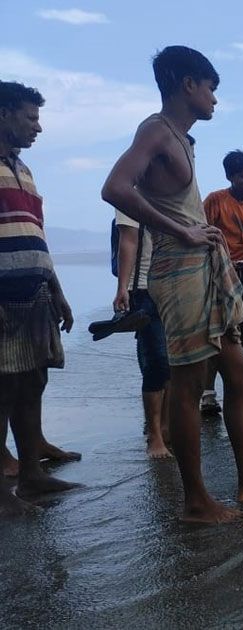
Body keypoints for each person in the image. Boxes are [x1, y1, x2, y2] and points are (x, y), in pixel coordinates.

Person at [100, 46, 243, 523]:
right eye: (211, 87)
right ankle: (195, 501)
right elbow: (115, 187)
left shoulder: (181, 137)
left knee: (239, 375)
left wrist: (196, 233)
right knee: (188, 385)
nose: (214, 98)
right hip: (179, 269)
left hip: (206, 267)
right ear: (187, 84)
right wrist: (182, 231)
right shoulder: (156, 129)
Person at [0, 81, 80, 516]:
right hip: (3, 299)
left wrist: (58, 291)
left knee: (33, 382)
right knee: (2, 388)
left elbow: (36, 235)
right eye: (30, 117)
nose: (38, 126)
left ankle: (32, 471)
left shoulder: (24, 170)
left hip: (35, 297)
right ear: (4, 114)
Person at [201, 150, 243, 410]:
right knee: (225, 332)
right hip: (224, 276)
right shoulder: (215, 201)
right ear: (231, 177)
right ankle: (209, 392)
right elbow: (202, 234)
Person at [113, 209, 172, 458]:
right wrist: (123, 288)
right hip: (144, 290)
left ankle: (167, 428)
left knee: (173, 362)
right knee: (156, 362)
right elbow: (128, 239)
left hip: (173, 285)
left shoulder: (168, 194)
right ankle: (155, 436)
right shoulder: (130, 197)